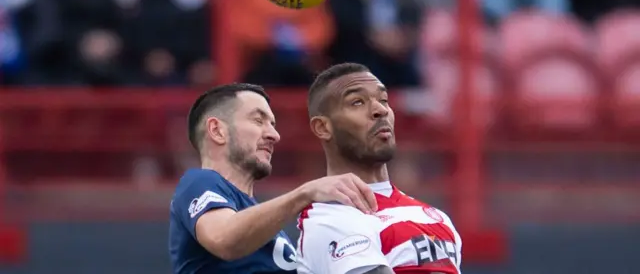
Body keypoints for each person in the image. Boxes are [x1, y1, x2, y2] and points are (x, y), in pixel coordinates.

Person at [169, 83, 378, 274]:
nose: (274, 135)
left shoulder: (270, 232)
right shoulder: (197, 182)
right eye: (258, 120)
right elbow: (223, 238)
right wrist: (304, 193)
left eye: (272, 123)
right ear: (217, 130)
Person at [296, 63, 462, 274]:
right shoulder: (328, 217)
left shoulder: (434, 216)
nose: (380, 110)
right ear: (323, 127)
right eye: (357, 102)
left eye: (384, 100)